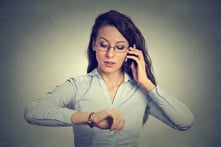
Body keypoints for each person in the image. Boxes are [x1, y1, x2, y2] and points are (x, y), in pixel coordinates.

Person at [24, 10, 194, 147]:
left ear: (131, 51)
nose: (110, 54)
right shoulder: (78, 86)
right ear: (94, 45)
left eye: (119, 47)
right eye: (104, 45)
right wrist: (90, 117)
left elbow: (185, 121)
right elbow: (32, 112)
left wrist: (146, 83)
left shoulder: (141, 92)